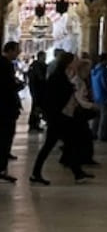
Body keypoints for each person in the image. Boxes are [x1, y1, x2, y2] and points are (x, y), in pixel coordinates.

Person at [31, 52, 88, 185]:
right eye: (75, 60)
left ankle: (77, 173)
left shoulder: (63, 75)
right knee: (55, 145)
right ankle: (36, 173)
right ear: (68, 63)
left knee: (68, 144)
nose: (77, 62)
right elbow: (54, 97)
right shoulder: (58, 77)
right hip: (58, 118)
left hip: (61, 117)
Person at [0, 41, 23, 183]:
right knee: (5, 137)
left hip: (5, 107)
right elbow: (7, 87)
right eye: (16, 50)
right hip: (5, 108)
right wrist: (18, 85)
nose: (18, 53)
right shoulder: (5, 65)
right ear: (9, 50)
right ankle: (1, 168)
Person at [26, 51, 46, 133]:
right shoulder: (37, 66)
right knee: (36, 107)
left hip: (36, 90)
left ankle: (35, 124)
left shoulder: (34, 65)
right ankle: (33, 124)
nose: (44, 58)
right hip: (37, 90)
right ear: (40, 57)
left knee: (36, 107)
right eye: (44, 57)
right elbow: (40, 78)